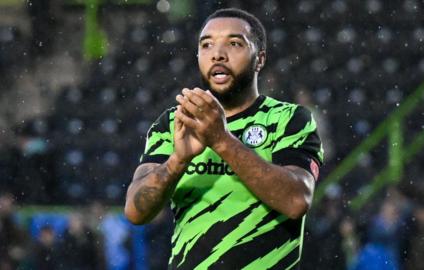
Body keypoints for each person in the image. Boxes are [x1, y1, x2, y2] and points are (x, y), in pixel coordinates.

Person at [124, 8, 323, 269]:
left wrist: (221, 140)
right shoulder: (174, 122)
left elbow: (297, 201)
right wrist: (178, 160)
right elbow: (136, 212)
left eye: (234, 43)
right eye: (206, 45)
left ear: (259, 59)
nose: (217, 54)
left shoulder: (289, 119)